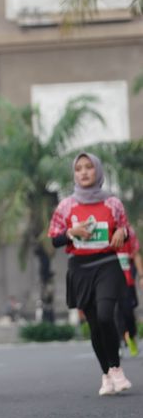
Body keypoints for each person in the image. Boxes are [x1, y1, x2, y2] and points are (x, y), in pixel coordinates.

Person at [48, 152, 133, 396]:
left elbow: (125, 229)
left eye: (89, 167)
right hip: (80, 269)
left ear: (98, 170)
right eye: (79, 169)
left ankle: (116, 368)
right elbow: (54, 239)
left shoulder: (113, 203)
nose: (84, 172)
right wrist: (71, 232)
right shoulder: (66, 205)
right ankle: (106, 373)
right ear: (74, 174)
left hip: (107, 264)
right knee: (95, 325)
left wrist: (122, 233)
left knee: (106, 316)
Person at [115, 224, 143, 357]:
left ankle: (132, 335)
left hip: (127, 278)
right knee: (113, 312)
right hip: (109, 279)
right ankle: (117, 343)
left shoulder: (128, 231)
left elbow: (136, 254)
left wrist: (141, 276)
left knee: (127, 311)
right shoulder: (102, 228)